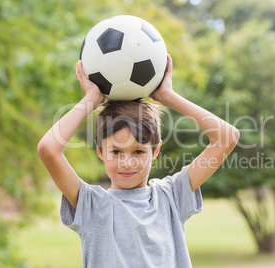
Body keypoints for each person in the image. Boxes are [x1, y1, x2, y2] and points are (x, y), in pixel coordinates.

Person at [37, 54, 240, 267]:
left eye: (138, 152)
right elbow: (48, 149)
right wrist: (91, 100)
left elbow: (227, 137)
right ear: (99, 152)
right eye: (115, 152)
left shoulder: (171, 196)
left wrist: (167, 96)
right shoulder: (92, 205)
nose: (127, 162)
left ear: (155, 151)